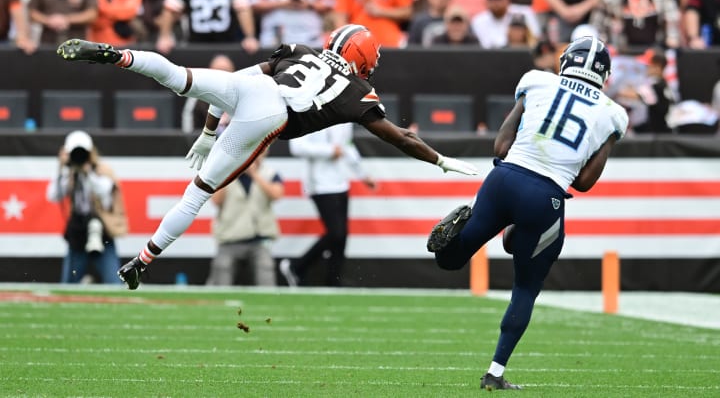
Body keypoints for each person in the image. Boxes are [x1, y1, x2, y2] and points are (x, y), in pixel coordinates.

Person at [56, 23, 479, 290]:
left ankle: (121, 56)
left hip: (253, 92)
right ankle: (143, 260)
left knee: (177, 75)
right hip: (273, 114)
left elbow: (237, 82)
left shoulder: (300, 50)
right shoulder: (357, 92)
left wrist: (207, 132)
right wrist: (439, 160)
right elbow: (400, 137)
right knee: (198, 193)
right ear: (361, 58)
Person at [426, 36, 628, 390]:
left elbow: (501, 147)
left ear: (565, 61)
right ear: (604, 76)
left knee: (451, 261)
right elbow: (582, 183)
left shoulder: (536, 80)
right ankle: (495, 373)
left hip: (503, 179)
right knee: (525, 287)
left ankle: (458, 237)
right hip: (545, 197)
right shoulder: (613, 114)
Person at [280, 122, 376, 287]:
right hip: (319, 185)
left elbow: (347, 146)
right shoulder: (309, 111)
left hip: (340, 183)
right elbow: (297, 147)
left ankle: (334, 283)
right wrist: (329, 151)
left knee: (341, 238)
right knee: (336, 233)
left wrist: (362, 174)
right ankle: (296, 267)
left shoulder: (345, 116)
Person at [46, 130, 128, 284]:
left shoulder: (101, 170)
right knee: (68, 286)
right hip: (78, 233)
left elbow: (105, 194)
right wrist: (64, 169)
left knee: (114, 283)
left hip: (102, 232)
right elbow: (52, 195)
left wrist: (88, 172)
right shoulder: (67, 173)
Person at [205, 148, 283, 286]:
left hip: (259, 239)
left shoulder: (269, 173)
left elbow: (277, 194)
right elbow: (216, 200)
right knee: (221, 275)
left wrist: (254, 175)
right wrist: (232, 173)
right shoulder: (225, 174)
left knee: (266, 273)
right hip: (230, 238)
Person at [154, 0, 259, 55]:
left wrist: (249, 37)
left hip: (226, 46)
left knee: (222, 65)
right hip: (194, 46)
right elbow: (170, 9)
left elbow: (243, 9)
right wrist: (164, 37)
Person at [617, 49, 674, 134]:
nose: (644, 68)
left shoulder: (656, 87)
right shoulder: (663, 84)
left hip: (660, 136)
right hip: (662, 133)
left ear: (657, 67)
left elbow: (625, 93)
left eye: (648, 66)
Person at [332, 0, 414, 48]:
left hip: (389, 44)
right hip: (358, 45)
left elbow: (407, 12)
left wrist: (381, 11)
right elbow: (340, 17)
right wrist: (345, 43)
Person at [181, 54, 236, 133]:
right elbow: (188, 130)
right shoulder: (197, 97)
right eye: (218, 71)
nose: (222, 75)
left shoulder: (242, 97)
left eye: (226, 71)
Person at [28, 0, 98, 45]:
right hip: (48, 41)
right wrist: (48, 21)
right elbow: (31, 12)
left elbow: (92, 14)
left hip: (77, 42)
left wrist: (66, 19)